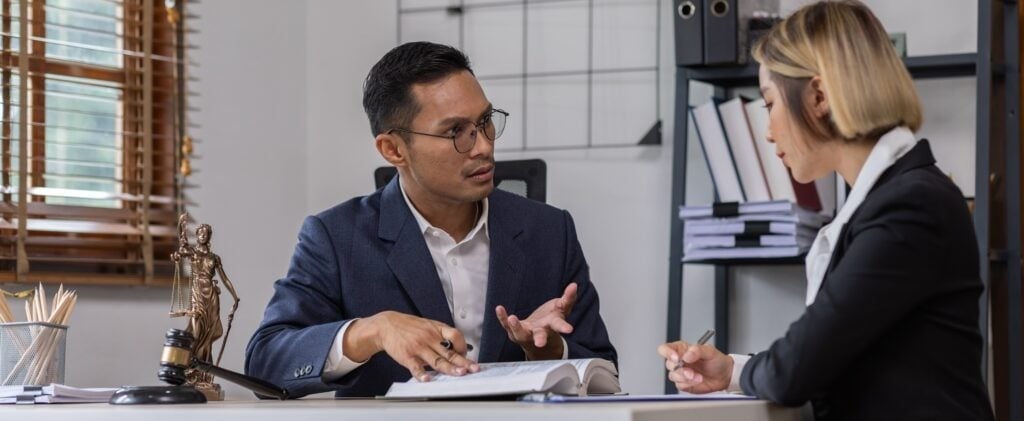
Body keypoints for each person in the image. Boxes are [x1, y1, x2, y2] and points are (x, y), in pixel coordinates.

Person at [658, 2, 994, 420]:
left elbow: (796, 370)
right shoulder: (887, 200)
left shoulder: (909, 206)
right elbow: (828, 354)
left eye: (769, 104)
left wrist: (744, 371)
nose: (767, 130)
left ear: (817, 96)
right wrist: (730, 370)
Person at [245, 41, 617, 398]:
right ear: (393, 149)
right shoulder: (337, 237)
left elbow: (606, 373)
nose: (484, 145)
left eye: (485, 121)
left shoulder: (549, 231)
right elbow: (265, 363)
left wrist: (549, 351)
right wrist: (371, 331)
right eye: (456, 132)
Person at [171, 215, 240, 392]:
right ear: (197, 235)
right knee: (196, 333)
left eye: (206, 233)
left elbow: (224, 279)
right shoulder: (193, 253)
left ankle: (204, 375)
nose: (203, 235)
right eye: (200, 233)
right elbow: (181, 249)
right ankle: (191, 370)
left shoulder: (214, 258)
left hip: (212, 297)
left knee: (209, 335)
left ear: (209, 236)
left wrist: (235, 296)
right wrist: (181, 229)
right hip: (197, 296)